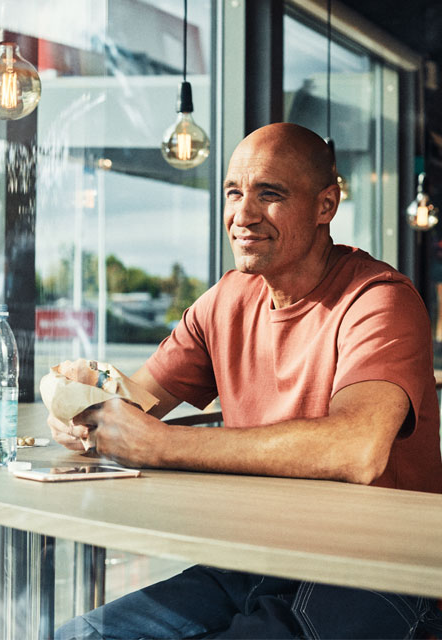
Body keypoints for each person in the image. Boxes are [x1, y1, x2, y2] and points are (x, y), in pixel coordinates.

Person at [48, 123, 442, 639]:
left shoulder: (379, 300)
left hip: (372, 570)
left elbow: (357, 447)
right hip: (252, 555)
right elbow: (137, 407)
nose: (243, 215)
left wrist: (163, 445)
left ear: (326, 205)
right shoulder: (226, 300)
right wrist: (87, 405)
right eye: (234, 192)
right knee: (81, 635)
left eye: (269, 194)